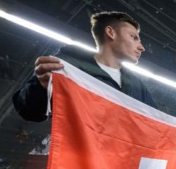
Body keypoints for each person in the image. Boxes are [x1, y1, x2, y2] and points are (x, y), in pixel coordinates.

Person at [13, 11, 155, 122]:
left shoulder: (138, 86)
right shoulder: (67, 67)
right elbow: (28, 112)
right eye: (134, 37)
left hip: (124, 159)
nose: (141, 47)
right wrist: (40, 87)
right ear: (110, 33)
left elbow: (158, 125)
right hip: (82, 157)